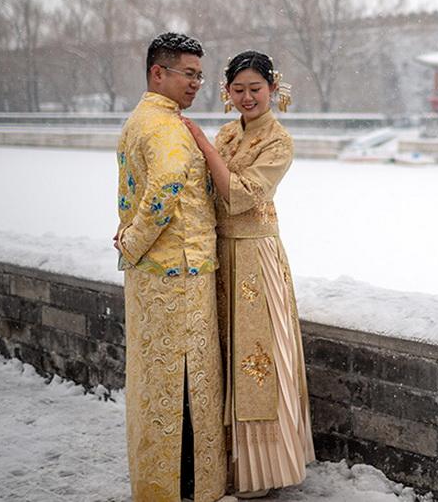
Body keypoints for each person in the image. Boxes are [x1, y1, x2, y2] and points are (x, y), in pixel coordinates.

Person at [182, 50, 314, 498]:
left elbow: (240, 194)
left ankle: (265, 467)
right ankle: (228, 461)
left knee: (257, 357)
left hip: (256, 256)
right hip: (220, 252)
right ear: (227, 92)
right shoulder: (226, 134)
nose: (247, 97)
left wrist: (200, 144)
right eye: (238, 89)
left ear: (274, 89)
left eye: (256, 89)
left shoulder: (279, 141)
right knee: (224, 351)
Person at [114, 32, 228, 502]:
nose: (197, 83)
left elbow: (137, 193)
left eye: (201, 75)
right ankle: (187, 486)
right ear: (157, 72)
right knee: (182, 380)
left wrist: (128, 240)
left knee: (153, 381)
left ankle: (157, 481)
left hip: (155, 276)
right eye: (189, 73)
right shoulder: (165, 126)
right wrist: (133, 245)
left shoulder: (142, 119)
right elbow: (164, 188)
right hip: (179, 273)